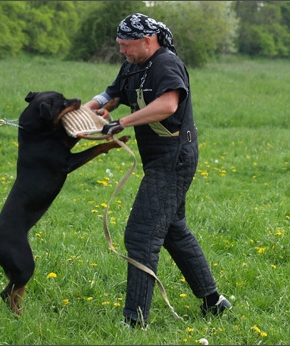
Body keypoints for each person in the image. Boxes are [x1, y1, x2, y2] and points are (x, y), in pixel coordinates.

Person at [84, 13, 231, 328]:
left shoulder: (166, 64)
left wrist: (120, 123)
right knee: (173, 230)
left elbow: (167, 105)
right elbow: (112, 95)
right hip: (158, 157)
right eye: (120, 45)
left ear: (146, 41)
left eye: (126, 45)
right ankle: (214, 302)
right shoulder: (134, 65)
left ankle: (134, 322)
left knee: (140, 234)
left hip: (174, 157)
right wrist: (81, 113)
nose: (122, 51)